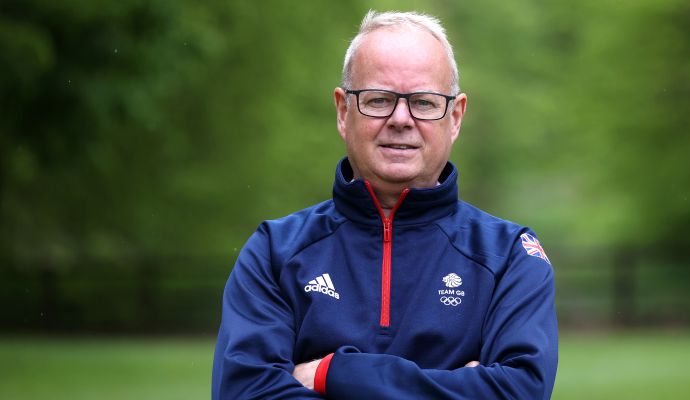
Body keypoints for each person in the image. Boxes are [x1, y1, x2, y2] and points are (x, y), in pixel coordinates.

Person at [212, 10, 558, 399]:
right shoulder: (275, 252)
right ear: (344, 112)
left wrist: (332, 373)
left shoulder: (509, 257)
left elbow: (519, 391)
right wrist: (458, 387)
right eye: (378, 100)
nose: (400, 119)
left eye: (424, 103)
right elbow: (245, 391)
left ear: (456, 117)